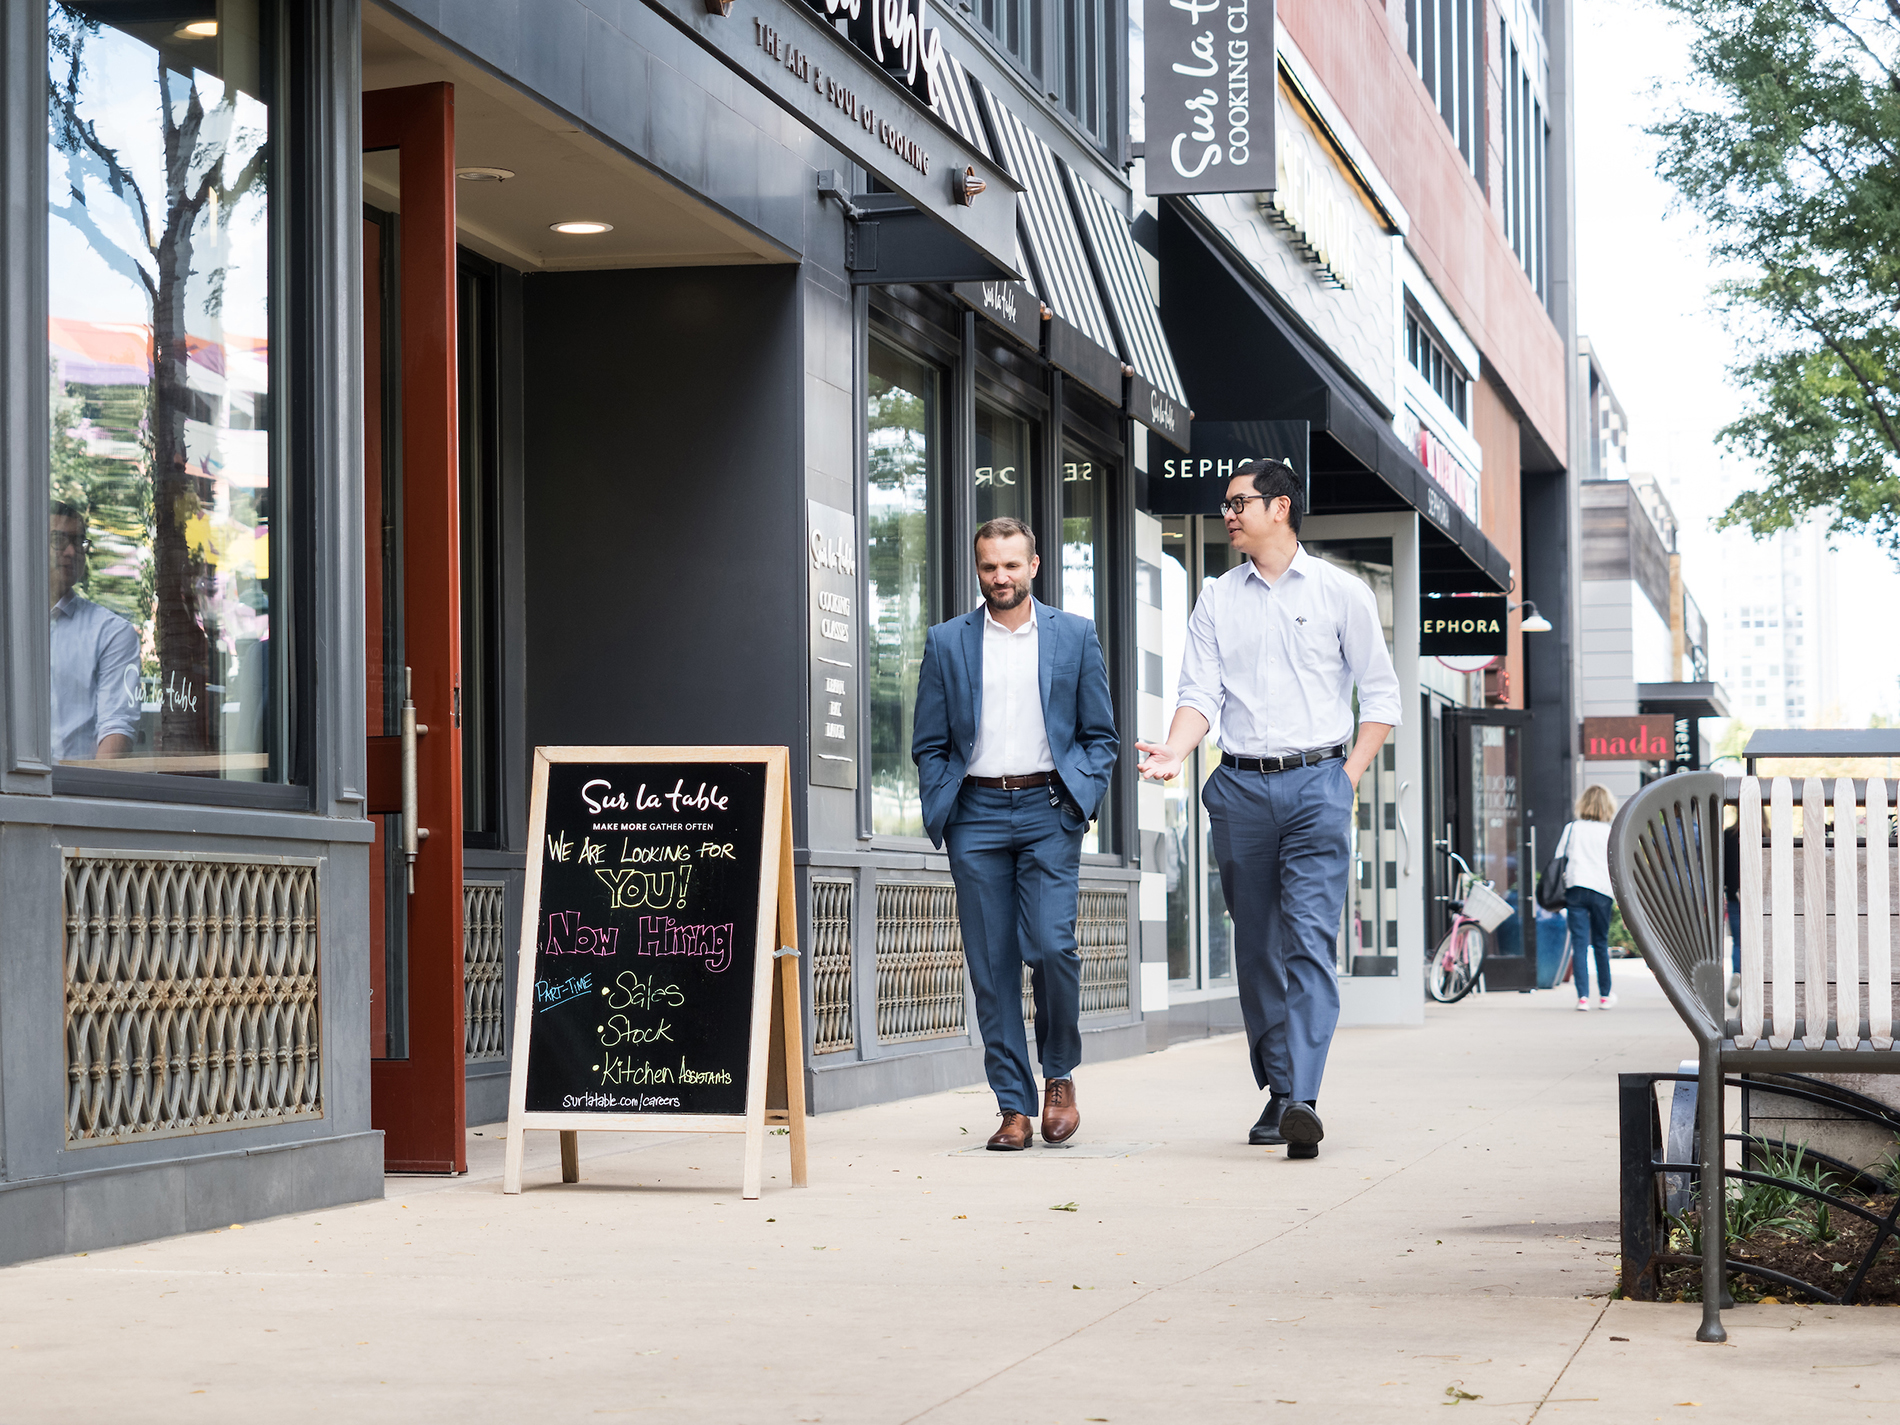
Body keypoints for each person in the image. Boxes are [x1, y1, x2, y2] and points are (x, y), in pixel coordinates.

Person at [1134, 459, 1401, 1160]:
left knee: (1309, 940)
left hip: (1318, 782)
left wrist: (1344, 779)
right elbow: (1200, 695)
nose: (1228, 513)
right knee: (1256, 948)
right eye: (1225, 503)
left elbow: (1381, 700)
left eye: (1238, 501)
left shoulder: (1343, 593)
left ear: (1279, 507)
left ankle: (1303, 1098)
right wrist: (1173, 752)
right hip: (1242, 787)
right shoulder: (1216, 598)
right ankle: (1279, 1087)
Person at [911, 517, 1119, 1151]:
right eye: (988, 567)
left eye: (1010, 565)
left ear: (1035, 566)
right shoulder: (947, 642)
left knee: (1052, 946)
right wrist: (940, 798)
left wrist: (1081, 795)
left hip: (1048, 809)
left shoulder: (1075, 637)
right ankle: (1013, 1106)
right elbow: (929, 740)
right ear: (978, 570)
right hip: (974, 814)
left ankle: (1059, 1075)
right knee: (993, 965)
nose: (999, 577)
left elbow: (1100, 735)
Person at [50, 501, 140, 764]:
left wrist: (85, 801)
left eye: (79, 542)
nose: (71, 552)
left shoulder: (112, 633)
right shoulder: (11, 624)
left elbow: (116, 729)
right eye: (58, 540)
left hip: (74, 792)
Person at [1554, 784, 1619, 1010]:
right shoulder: (1609, 831)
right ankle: (1604, 995)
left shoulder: (1572, 828)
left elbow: (1559, 857)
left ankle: (1583, 998)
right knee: (1600, 943)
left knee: (1579, 944)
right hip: (1602, 890)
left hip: (1576, 888)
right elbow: (1615, 864)